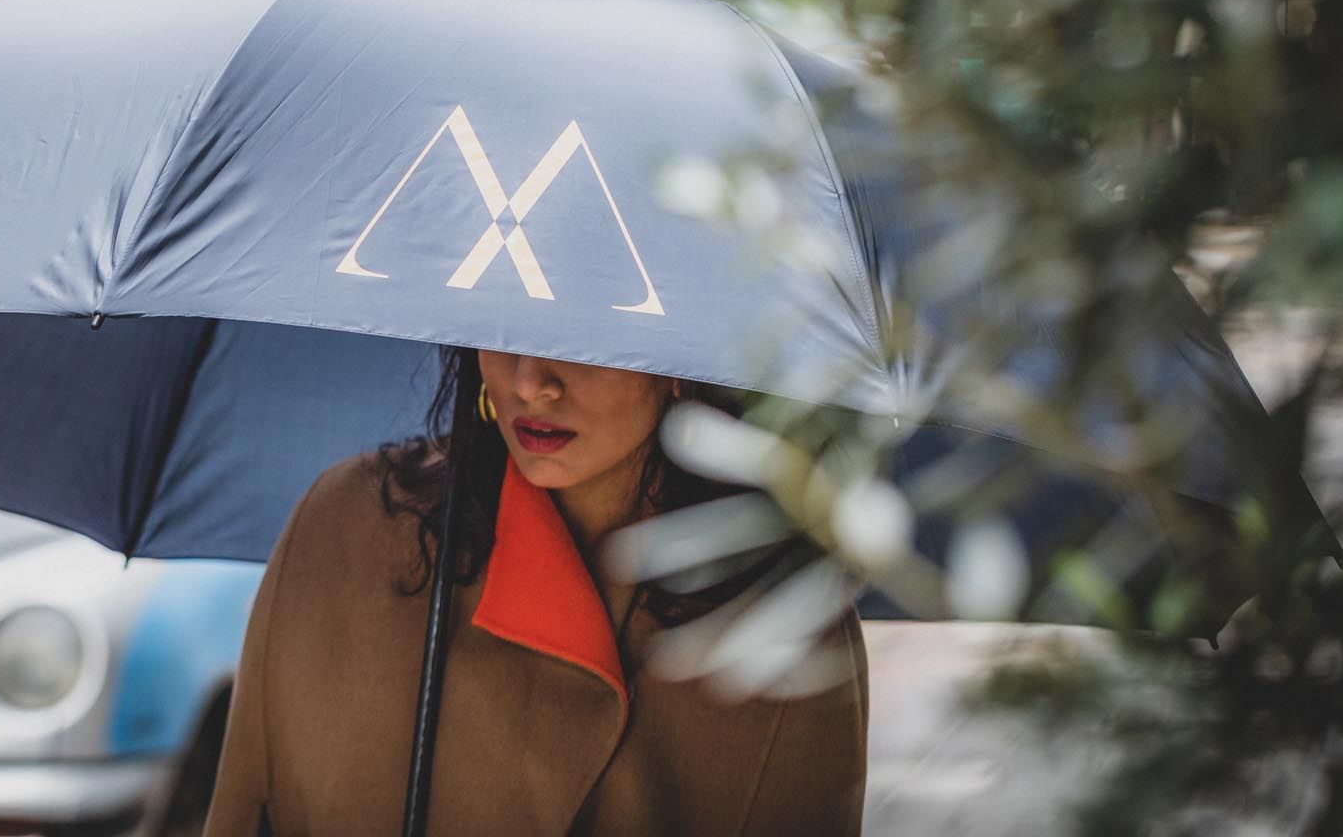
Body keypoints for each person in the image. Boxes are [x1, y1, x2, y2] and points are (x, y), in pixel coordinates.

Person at [200, 347, 869, 836]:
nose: (532, 383)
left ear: (682, 356)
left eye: (590, 332)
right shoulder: (348, 529)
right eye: (504, 322)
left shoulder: (780, 623)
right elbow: (246, 809)